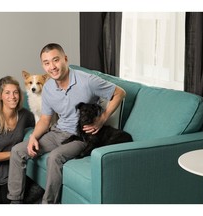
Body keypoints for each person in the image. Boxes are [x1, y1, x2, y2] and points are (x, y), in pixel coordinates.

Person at [7, 43, 126, 204]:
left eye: (56, 60)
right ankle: (14, 201)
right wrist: (34, 137)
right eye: (47, 63)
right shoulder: (48, 87)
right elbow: (45, 119)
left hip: (80, 137)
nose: (52, 66)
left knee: (54, 157)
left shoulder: (87, 81)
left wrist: (102, 119)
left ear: (65, 59)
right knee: (17, 151)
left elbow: (120, 92)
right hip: (57, 132)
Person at [0, 76, 35, 204]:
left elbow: (40, 124)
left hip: (13, 172)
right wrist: (18, 153)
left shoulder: (25, 115)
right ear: (0, 96)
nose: (12, 96)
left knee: (7, 202)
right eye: (7, 93)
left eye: (15, 92)